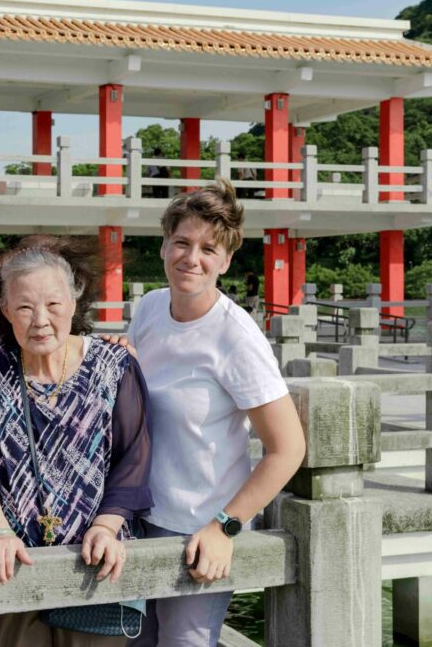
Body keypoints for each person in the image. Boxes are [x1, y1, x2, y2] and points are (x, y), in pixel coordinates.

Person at [127, 179, 305, 647]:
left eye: (209, 249)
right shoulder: (148, 309)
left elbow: (287, 448)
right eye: (182, 243)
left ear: (226, 261)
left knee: (185, 641)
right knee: (132, 642)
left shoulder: (236, 336)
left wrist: (225, 526)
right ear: (164, 246)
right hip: (140, 514)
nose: (192, 258)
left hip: (200, 523)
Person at [0, 236, 153, 647]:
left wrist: (107, 524)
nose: (39, 319)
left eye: (53, 304)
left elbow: (133, 458)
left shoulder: (115, 365)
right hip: (9, 566)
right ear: (5, 310)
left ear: (74, 301)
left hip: (94, 564)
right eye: (24, 307)